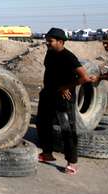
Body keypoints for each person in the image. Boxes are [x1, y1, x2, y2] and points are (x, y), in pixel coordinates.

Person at [35, 27, 91, 175]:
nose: (47, 44)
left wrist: (66, 86)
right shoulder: (50, 52)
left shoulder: (69, 57)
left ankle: (71, 162)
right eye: (47, 41)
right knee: (42, 123)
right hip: (48, 94)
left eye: (50, 41)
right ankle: (47, 153)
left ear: (60, 42)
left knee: (67, 129)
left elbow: (84, 77)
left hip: (63, 98)